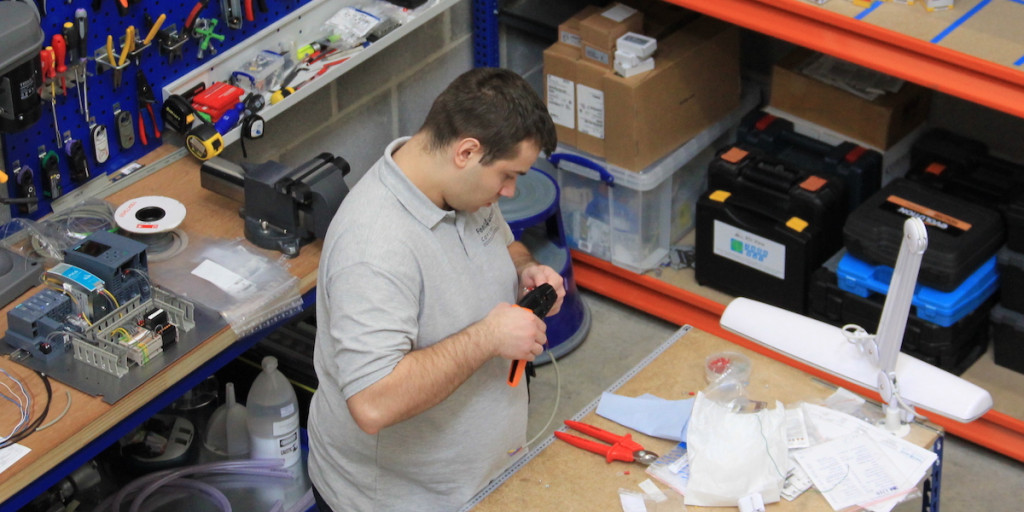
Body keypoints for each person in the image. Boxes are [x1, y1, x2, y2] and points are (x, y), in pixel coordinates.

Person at [307, 67, 564, 511]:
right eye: (508, 176)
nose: (510, 191)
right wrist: (489, 337)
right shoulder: (372, 246)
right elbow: (372, 403)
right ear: (467, 151)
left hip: (482, 483)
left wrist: (527, 269)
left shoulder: (459, 186)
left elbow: (502, 243)